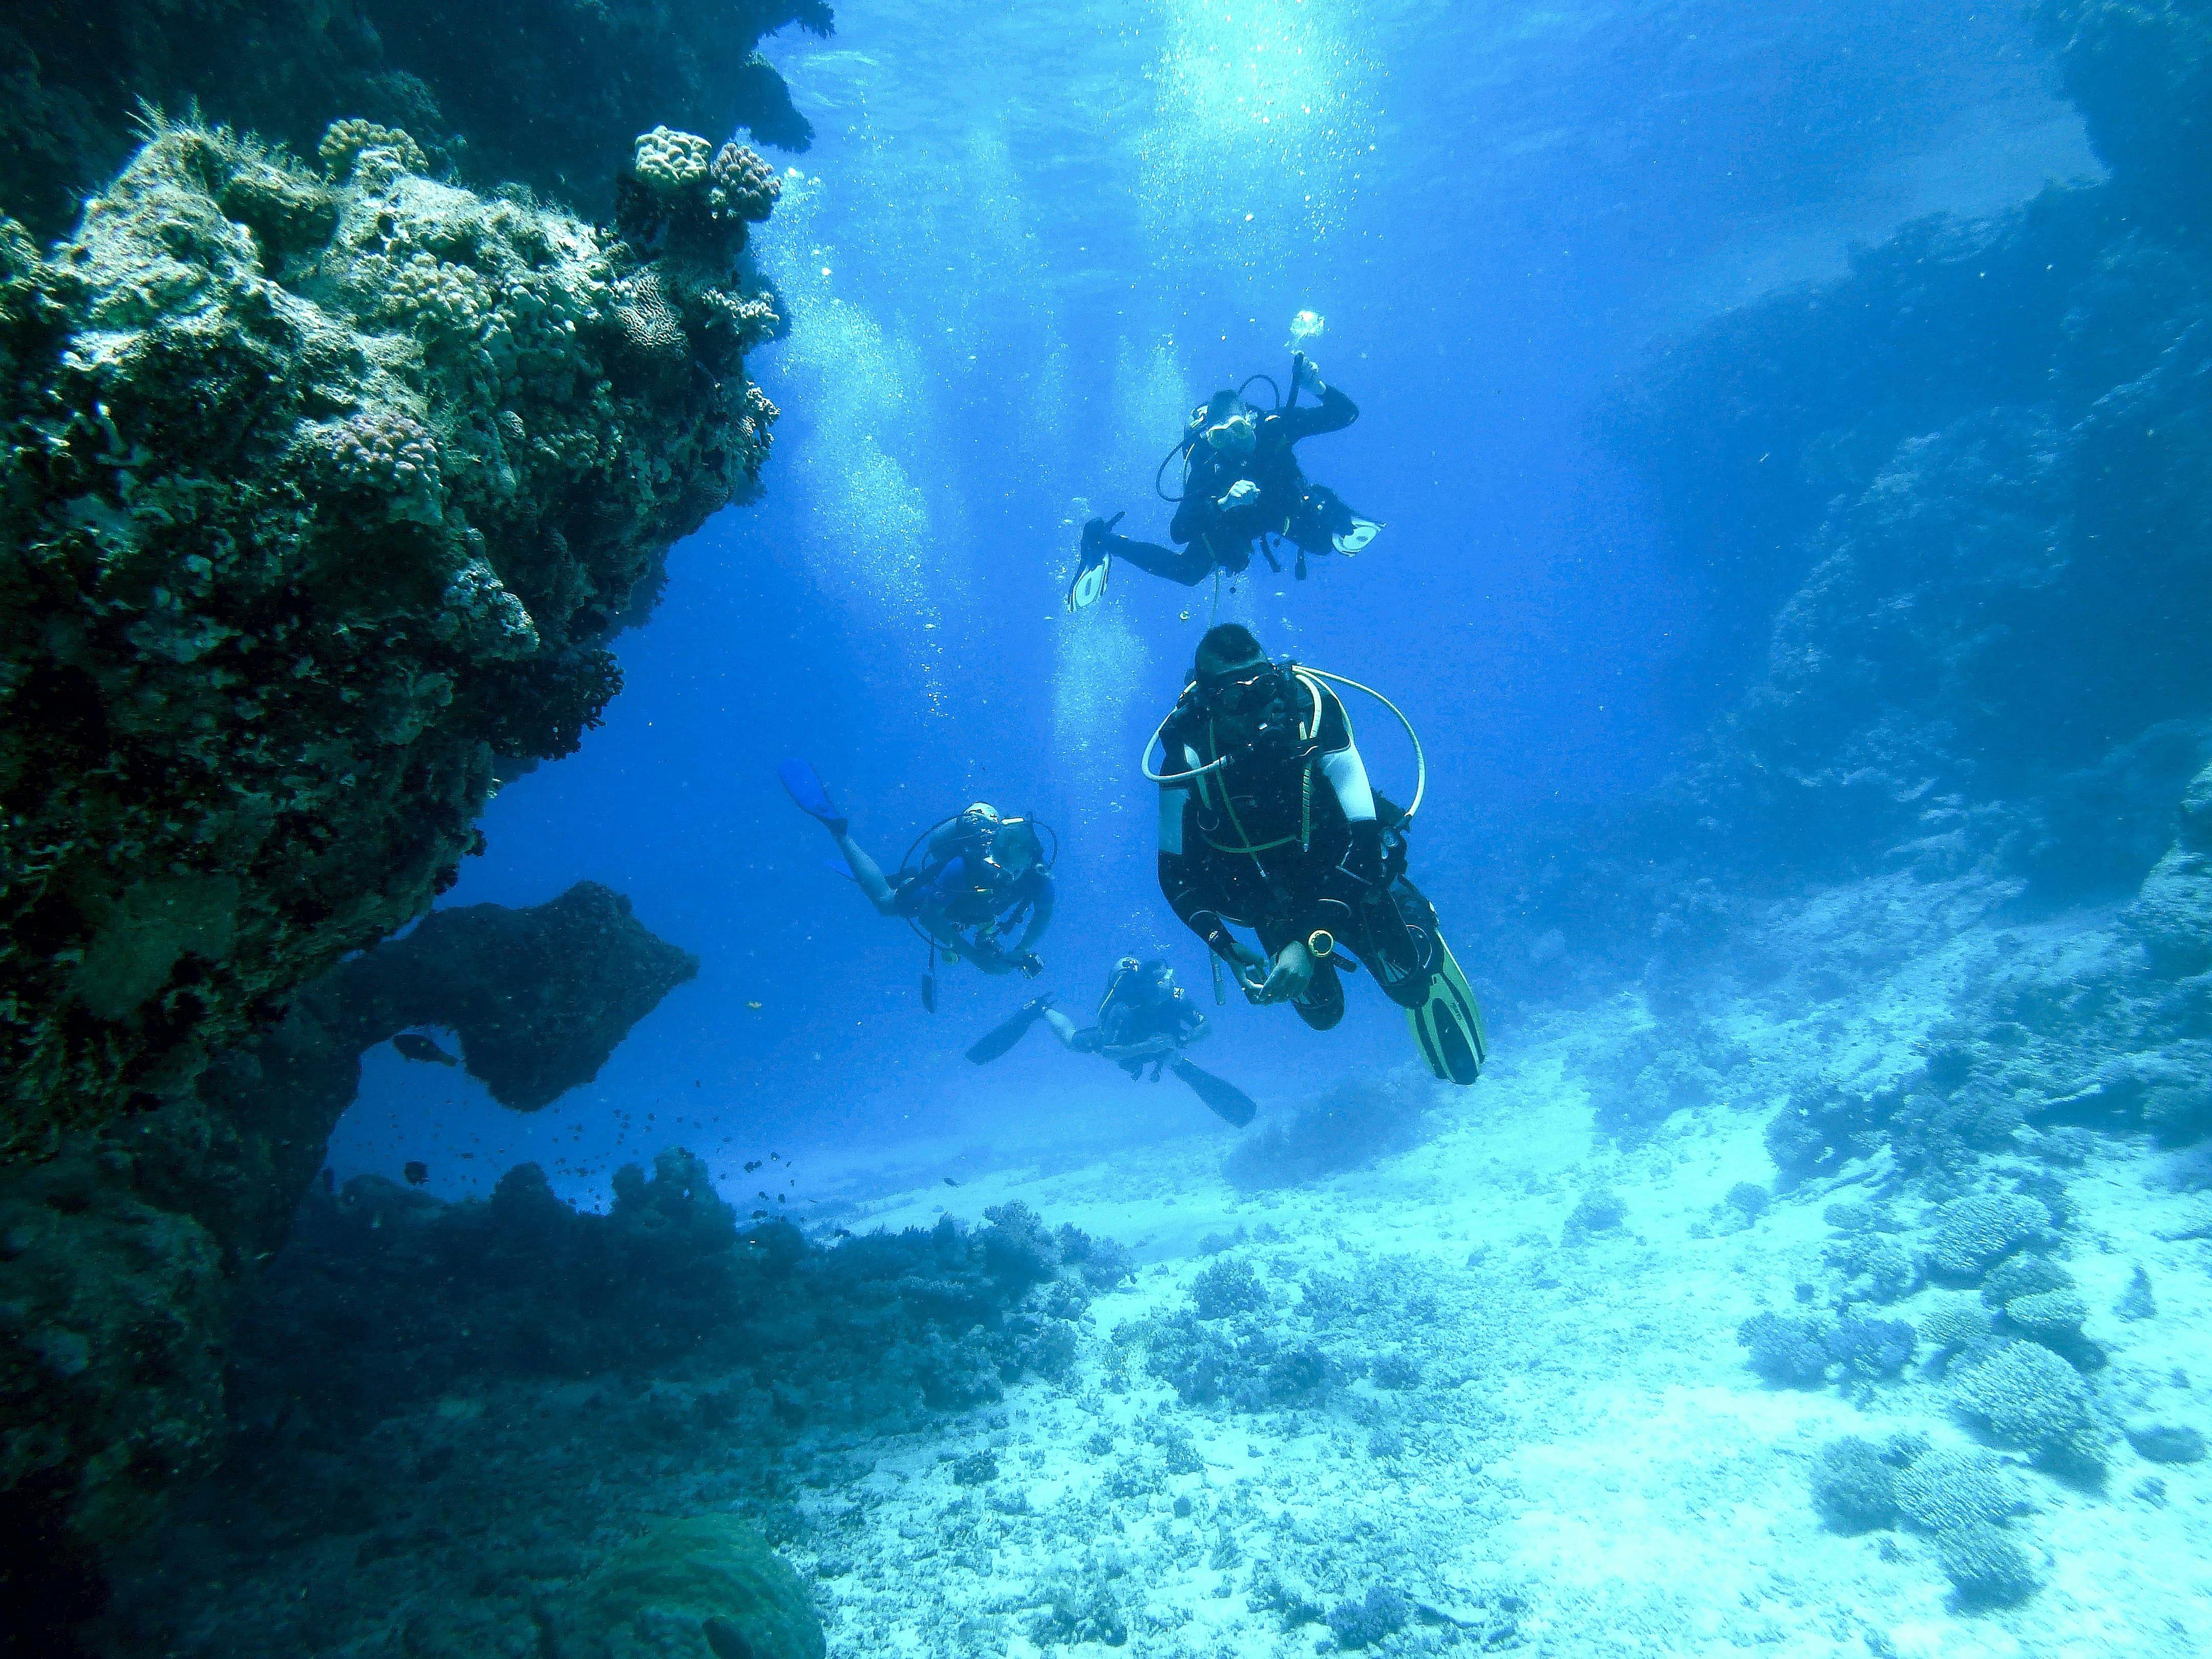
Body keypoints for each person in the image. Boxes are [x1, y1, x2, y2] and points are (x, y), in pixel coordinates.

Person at [1145, 624, 1485, 1084]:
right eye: (1234, 699)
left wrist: (1307, 942)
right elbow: (1174, 876)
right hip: (1271, 900)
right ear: (1207, 701)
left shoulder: (1313, 714)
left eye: (1263, 688)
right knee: (1323, 1016)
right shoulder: (1186, 754)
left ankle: (1412, 914)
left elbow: (1365, 841)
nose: (1258, 710)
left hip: (1345, 873)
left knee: (1411, 986)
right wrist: (1225, 947)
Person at [1073, 354, 1380, 599]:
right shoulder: (1209, 466)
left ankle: (1332, 512)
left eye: (1238, 431)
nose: (1232, 445)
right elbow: (1179, 532)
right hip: (1237, 525)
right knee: (1189, 572)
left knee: (1322, 543)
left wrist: (1317, 387)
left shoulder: (1274, 430)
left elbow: (1346, 414)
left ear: (1251, 421)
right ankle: (1100, 539)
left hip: (1282, 508)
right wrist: (1222, 503)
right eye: (1221, 437)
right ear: (1210, 439)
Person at [779, 760, 1054, 992]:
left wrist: (1020, 950)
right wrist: (974, 957)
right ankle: (839, 832)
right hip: (947, 893)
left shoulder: (1039, 879)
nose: (1003, 868)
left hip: (969, 905)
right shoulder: (966, 866)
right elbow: (929, 916)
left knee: (978, 917)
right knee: (887, 903)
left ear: (1032, 858)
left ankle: (908, 880)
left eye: (1013, 863)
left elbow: (1042, 914)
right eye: (1001, 856)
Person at [966, 957, 1258, 1126]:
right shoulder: (1124, 1009)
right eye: (1161, 982)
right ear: (1146, 988)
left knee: (1178, 1064)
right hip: (1122, 1043)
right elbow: (1109, 1051)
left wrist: (1187, 1038)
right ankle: (1042, 1010)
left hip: (1157, 1044)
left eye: (1169, 979)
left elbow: (1205, 1025)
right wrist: (1152, 1047)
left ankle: (1181, 1067)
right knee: (1071, 1040)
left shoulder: (1176, 999)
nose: (1168, 985)